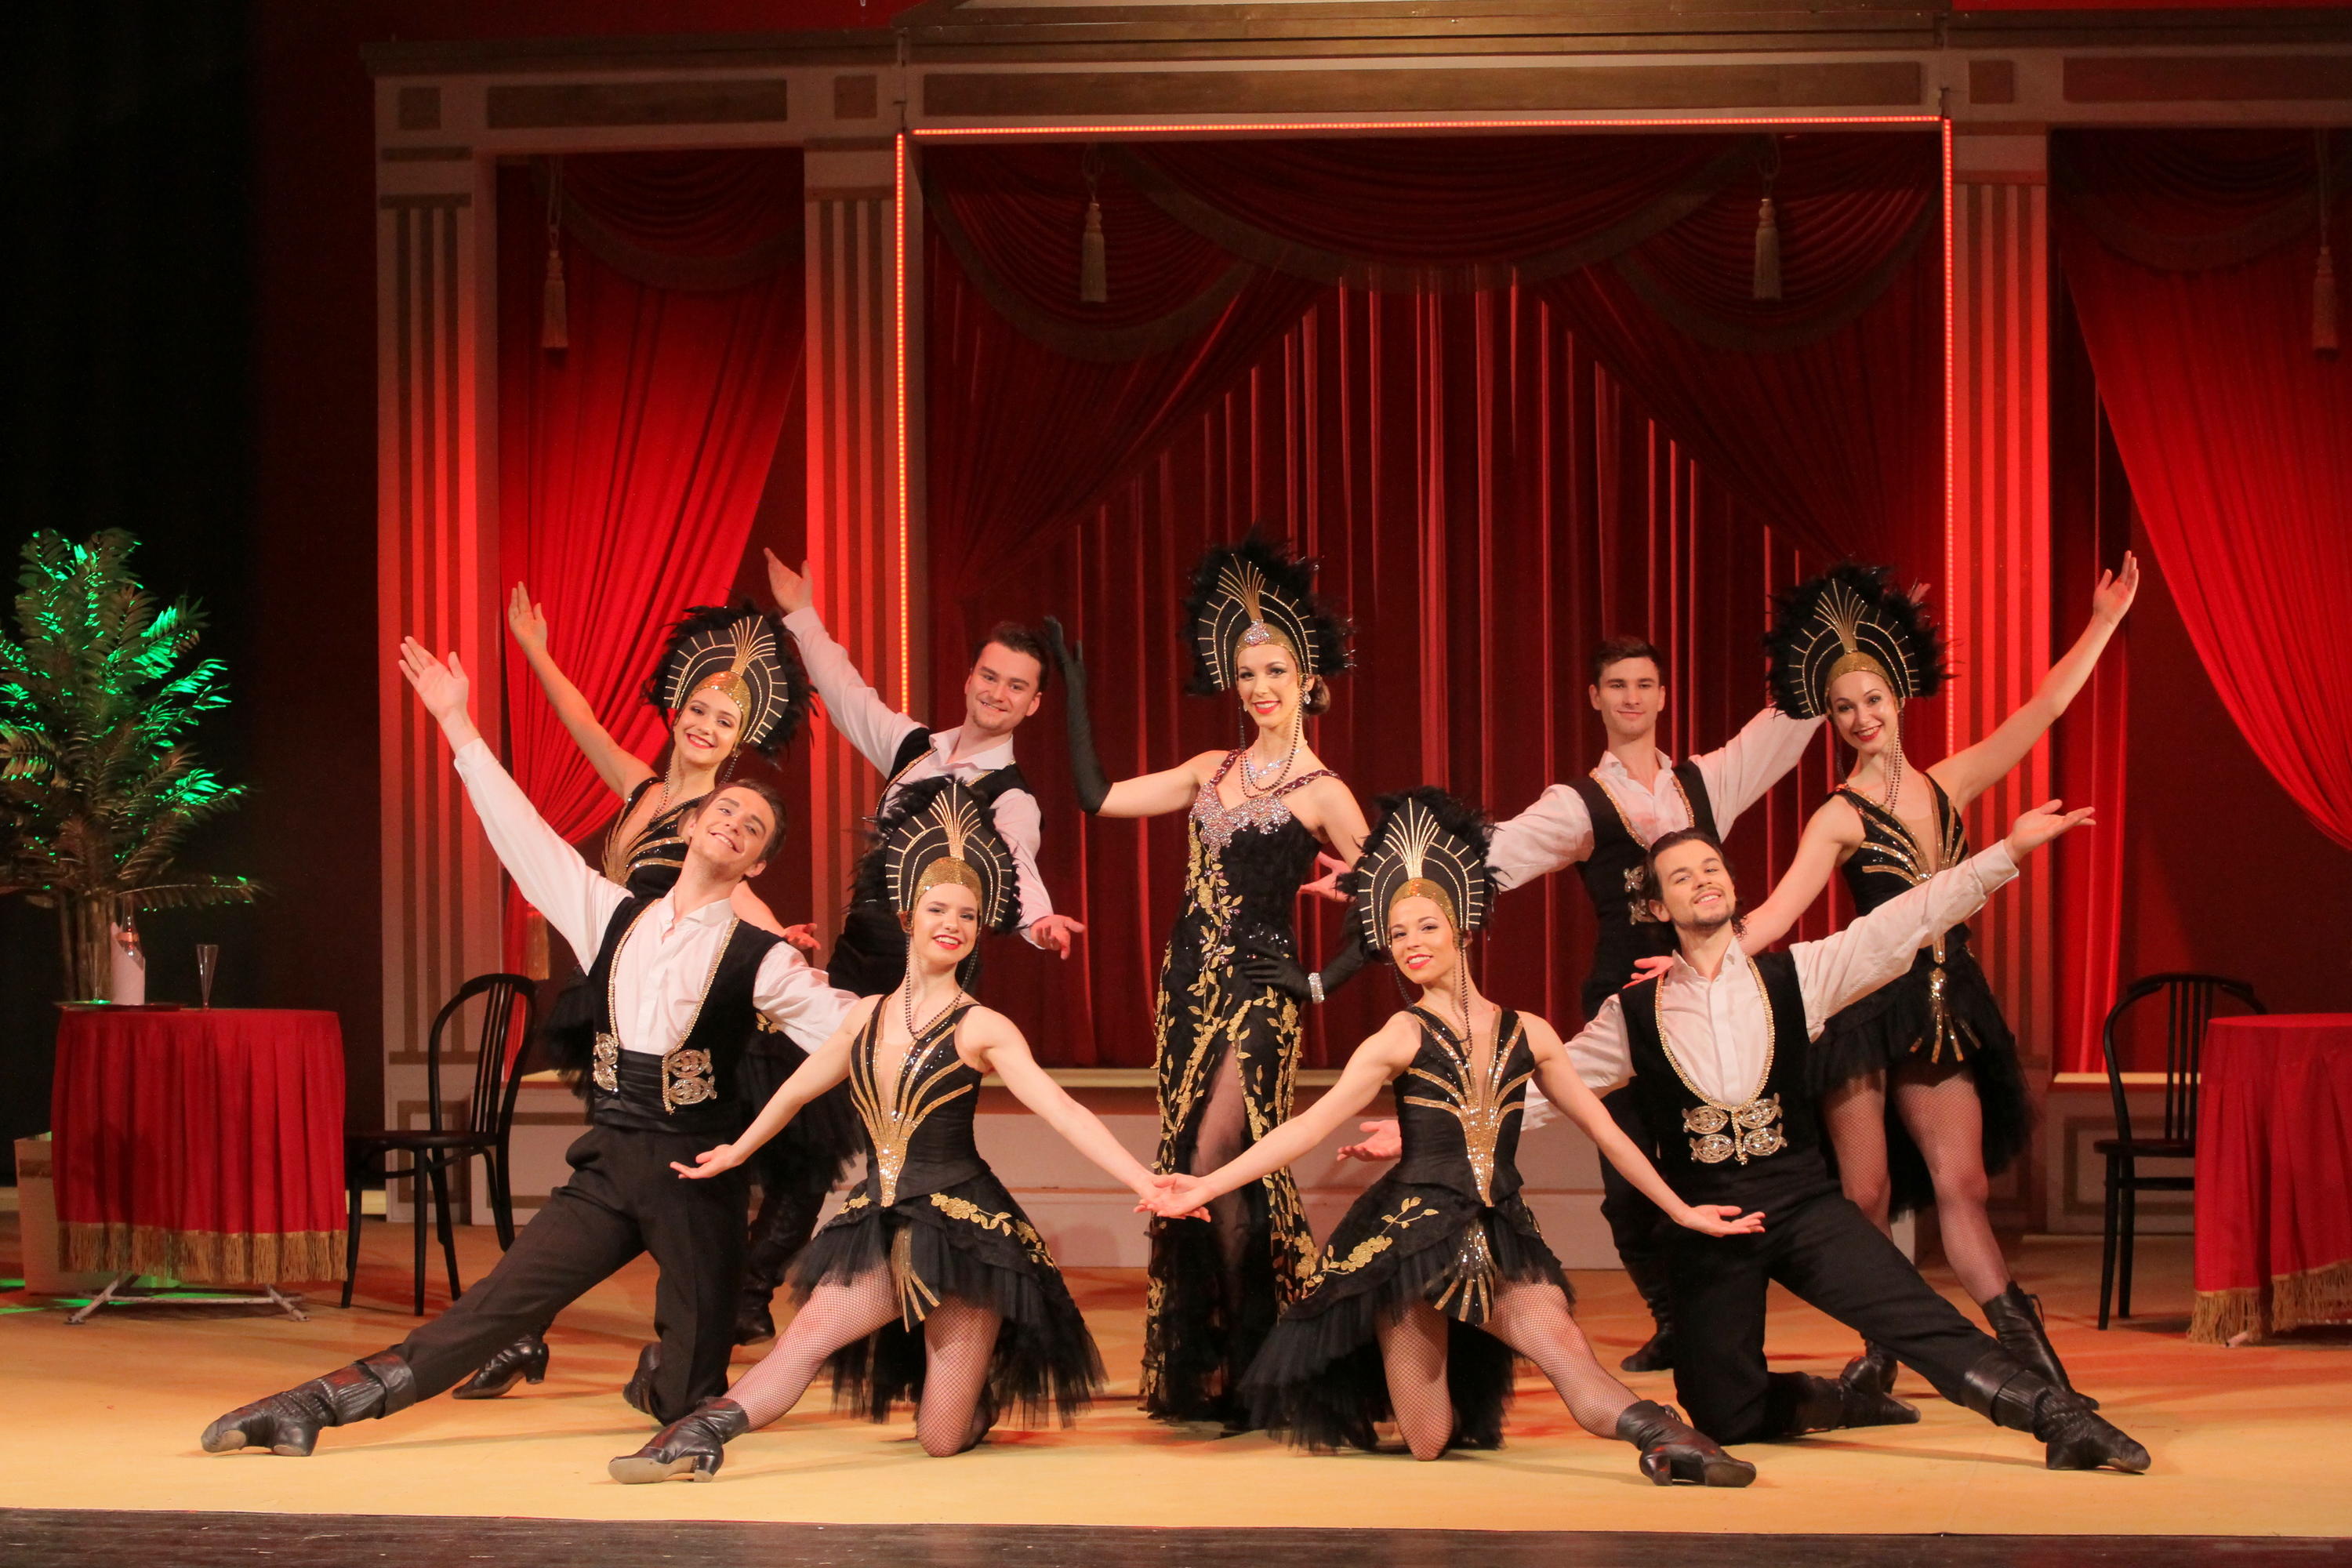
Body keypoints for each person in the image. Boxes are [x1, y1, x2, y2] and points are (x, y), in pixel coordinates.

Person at [200, 639, 855, 1457]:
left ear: (757, 861)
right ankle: (313, 1404)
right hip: (610, 1166)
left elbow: (855, 1027)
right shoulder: (607, 913)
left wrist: (955, 1019)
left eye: (752, 827)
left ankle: (661, 1377)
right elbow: (523, 836)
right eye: (725, 812)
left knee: (689, 1396)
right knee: (490, 1312)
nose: (732, 824)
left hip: (696, 1182)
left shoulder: (764, 958)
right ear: (691, 824)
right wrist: (457, 723)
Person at [1150, 790, 1761, 1483]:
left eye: (1426, 926)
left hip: (1498, 1231)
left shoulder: (1531, 1033)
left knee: (1564, 1351)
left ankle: (1676, 1445)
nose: (1412, 942)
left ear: (1462, 928)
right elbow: (1307, 1127)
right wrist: (1204, 1185)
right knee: (1430, 1438)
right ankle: (1413, 1340)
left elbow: (1609, 1133)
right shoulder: (1399, 1035)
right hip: (1408, 1245)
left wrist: (1682, 1210)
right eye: (1397, 932)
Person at [608, 779, 1167, 1483]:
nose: (952, 924)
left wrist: (1146, 1181)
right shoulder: (864, 1016)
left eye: (967, 915)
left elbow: (1065, 1111)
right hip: (878, 1223)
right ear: (907, 916)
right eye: (938, 909)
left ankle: (975, 1390)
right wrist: (736, 1150)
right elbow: (796, 1090)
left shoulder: (984, 1027)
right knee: (806, 1339)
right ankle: (696, 1437)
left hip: (966, 1238)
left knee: (940, 1437)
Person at [1564, 811, 2149, 1472]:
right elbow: (1541, 1084)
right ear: (1656, 907)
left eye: (1711, 868)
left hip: (1801, 1203)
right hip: (1708, 1221)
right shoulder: (1632, 1014)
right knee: (1722, 1412)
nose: (1703, 881)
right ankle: (1843, 1402)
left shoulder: (1798, 975)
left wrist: (2006, 852)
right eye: (1680, 877)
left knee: (1919, 1318)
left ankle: (2062, 1420)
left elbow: (1903, 921)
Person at [1338, 637, 1820, 1373]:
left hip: (1709, 997)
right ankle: (1668, 1318)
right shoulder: (1579, 804)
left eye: (1645, 684)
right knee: (1626, 1185)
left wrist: (1834, 654)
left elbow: (1783, 727)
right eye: (1617, 685)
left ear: (1664, 695)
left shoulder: (1708, 781)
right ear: (1595, 698)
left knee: (1712, 1164)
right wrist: (1379, 878)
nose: (1632, 697)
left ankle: (1719, 1322)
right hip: (1626, 1003)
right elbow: (1494, 854)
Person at [1726, 556, 2138, 1403]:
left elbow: (2042, 710)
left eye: (1872, 698)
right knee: (1866, 1192)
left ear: (1899, 695)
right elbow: (1774, 915)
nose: (1862, 717)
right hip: (1862, 1012)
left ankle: (2036, 1367)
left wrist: (2101, 622)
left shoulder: (1949, 783)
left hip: (1946, 1004)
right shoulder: (1837, 815)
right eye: (1844, 707)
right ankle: (1881, 1346)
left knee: (1963, 1184)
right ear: (1831, 718)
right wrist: (1706, 950)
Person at [457, 597, 859, 1390]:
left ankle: (714, 1317)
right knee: (613, 1175)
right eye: (699, 710)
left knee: (732, 1171)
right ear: (678, 711)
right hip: (620, 996)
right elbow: (580, 722)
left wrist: (778, 941)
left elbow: (736, 899)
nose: (706, 727)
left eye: (724, 723)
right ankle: (534, 1329)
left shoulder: (718, 820)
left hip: (687, 1013)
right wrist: (536, 650)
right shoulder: (643, 788)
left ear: (738, 744)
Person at [1050, 534, 1372, 1426]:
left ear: (1307, 679)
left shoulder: (1325, 791)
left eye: (1276, 671)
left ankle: (1264, 1362)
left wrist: (1319, 981)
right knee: (1195, 1154)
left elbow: (1398, 894)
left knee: (1214, 1157)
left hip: (1263, 995)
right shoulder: (1208, 770)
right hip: (1185, 988)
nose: (1260, 687)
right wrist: (1075, 694)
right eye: (1246, 674)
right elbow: (1097, 797)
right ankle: (1228, 1364)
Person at [765, 550, 1083, 995]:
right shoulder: (913, 747)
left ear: (1033, 704)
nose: (997, 693)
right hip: (858, 950)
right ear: (969, 680)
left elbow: (1017, 867)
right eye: (989, 677)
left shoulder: (1011, 797)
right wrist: (802, 614)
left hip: (933, 967)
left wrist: (1039, 921)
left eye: (1016, 686)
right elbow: (845, 692)